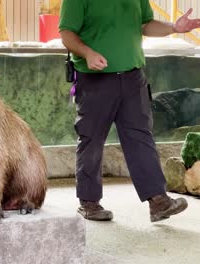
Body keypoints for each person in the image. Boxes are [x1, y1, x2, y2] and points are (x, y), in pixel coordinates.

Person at [59, 0, 200, 222]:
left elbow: (145, 25)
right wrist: (87, 53)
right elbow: (67, 33)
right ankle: (89, 203)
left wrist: (174, 27)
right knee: (91, 139)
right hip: (95, 79)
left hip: (133, 77)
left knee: (140, 136)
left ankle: (158, 201)